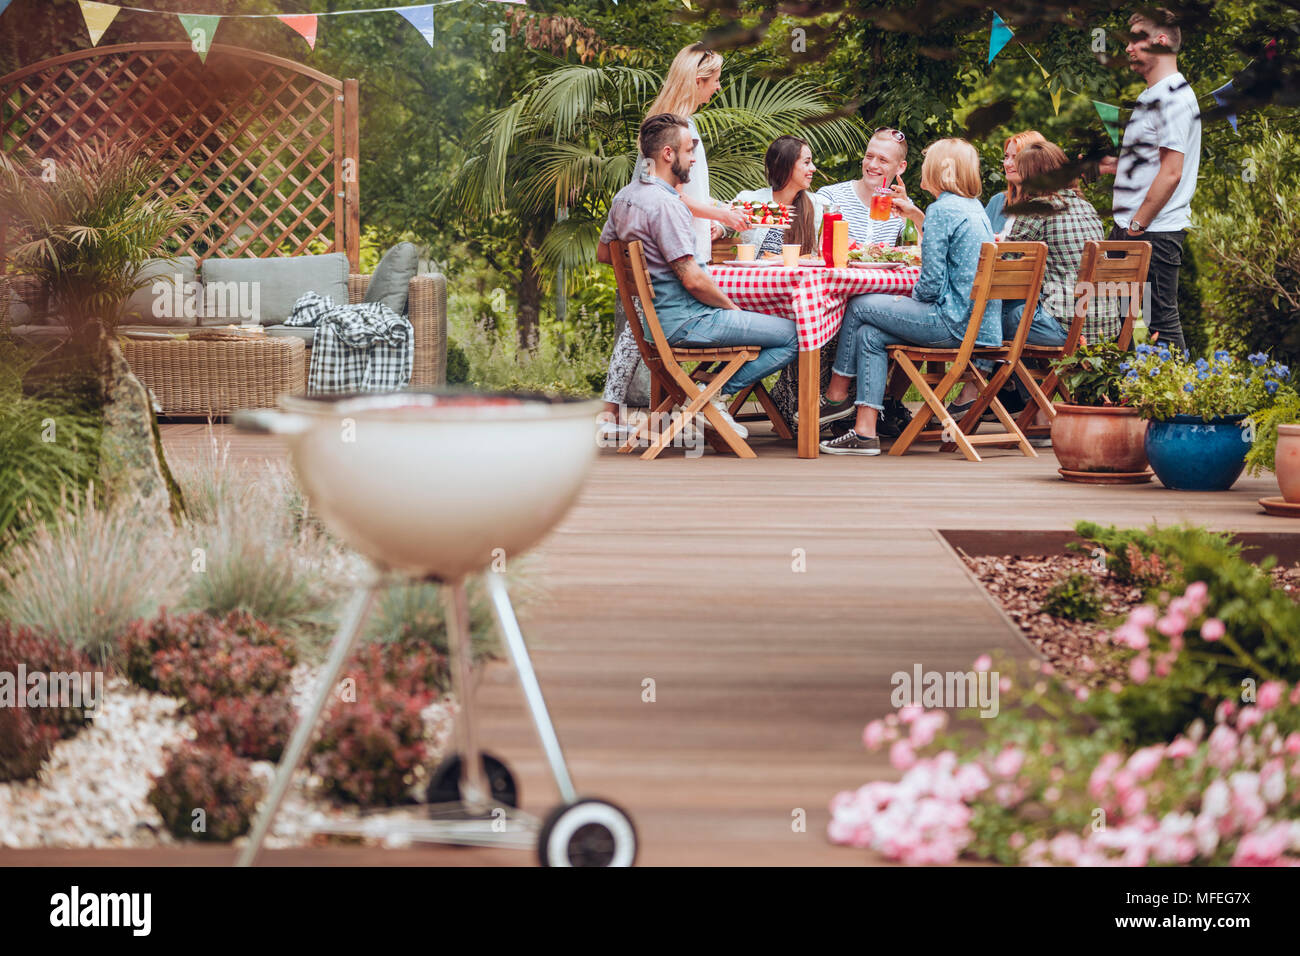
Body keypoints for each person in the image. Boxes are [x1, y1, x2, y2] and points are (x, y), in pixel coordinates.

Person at [596, 113, 797, 440]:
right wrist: (732, 308)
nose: (693, 158)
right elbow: (692, 279)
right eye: (690, 150)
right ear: (667, 154)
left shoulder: (625, 198)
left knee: (767, 328)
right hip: (687, 320)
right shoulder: (668, 205)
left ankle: (706, 394)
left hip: (654, 323)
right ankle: (711, 396)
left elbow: (606, 254)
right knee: (795, 334)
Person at [598, 43, 750, 441]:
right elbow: (667, 194)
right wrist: (721, 215)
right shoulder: (678, 129)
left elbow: (678, 194)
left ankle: (636, 410)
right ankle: (699, 402)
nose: (717, 89)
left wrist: (712, 219)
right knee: (651, 326)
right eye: (715, 81)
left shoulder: (667, 123)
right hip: (669, 248)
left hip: (671, 239)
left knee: (639, 328)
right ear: (698, 81)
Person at [820, 139, 999, 456]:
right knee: (870, 333)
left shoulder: (942, 209)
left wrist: (907, 301)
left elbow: (930, 286)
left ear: (940, 169)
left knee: (860, 304)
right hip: (978, 325)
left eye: (927, 160)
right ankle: (864, 432)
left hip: (952, 323)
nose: (923, 164)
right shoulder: (973, 207)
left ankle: (836, 395)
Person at [1098, 7, 1201, 352]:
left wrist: (1137, 226)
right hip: (1133, 227)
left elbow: (1172, 171)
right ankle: (1120, 403)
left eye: (1134, 39)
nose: (1127, 48)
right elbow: (1153, 164)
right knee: (1114, 322)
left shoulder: (1172, 97)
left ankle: (1179, 405)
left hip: (1151, 231)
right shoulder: (1151, 96)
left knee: (1160, 325)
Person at [1005, 141, 1119, 344]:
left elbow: (1007, 265)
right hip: (1106, 327)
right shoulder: (1086, 206)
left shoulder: (1036, 209)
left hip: (1067, 327)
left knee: (1004, 316)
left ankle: (999, 373)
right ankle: (1030, 376)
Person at [814, 128, 923, 247]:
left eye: (883, 160)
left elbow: (920, 254)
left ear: (901, 167)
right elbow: (814, 246)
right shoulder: (831, 196)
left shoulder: (902, 204)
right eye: (869, 156)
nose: (872, 165)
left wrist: (908, 214)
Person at [733, 135, 826, 257]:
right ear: (786, 166)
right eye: (807, 162)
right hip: (754, 275)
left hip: (798, 276)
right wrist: (719, 229)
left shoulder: (820, 206)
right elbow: (724, 221)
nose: (813, 168)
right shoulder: (749, 200)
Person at [984, 130, 1047, 239]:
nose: (1007, 164)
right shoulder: (997, 201)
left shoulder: (1048, 205)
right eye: (1006, 156)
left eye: (1016, 157)